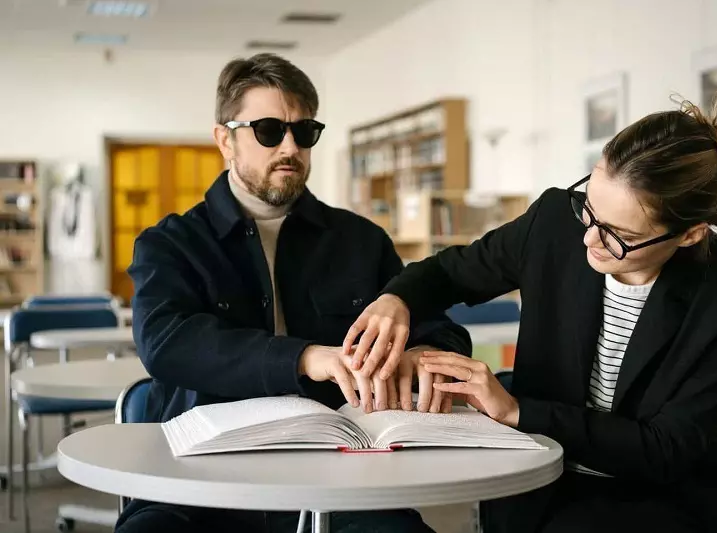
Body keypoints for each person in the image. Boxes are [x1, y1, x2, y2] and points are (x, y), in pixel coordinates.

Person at [344, 98, 717, 533]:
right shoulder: (554, 221)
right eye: (589, 209)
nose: (589, 238)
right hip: (541, 473)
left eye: (619, 236)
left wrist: (515, 410)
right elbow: (447, 272)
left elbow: (667, 448)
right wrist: (395, 300)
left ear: (689, 234)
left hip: (662, 493)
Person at [120, 53, 470, 533]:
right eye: (268, 130)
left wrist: (424, 353)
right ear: (225, 139)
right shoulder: (168, 243)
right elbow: (166, 342)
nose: (290, 146)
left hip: (343, 475)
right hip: (202, 481)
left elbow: (437, 327)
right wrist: (306, 358)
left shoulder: (362, 241)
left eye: (304, 132)